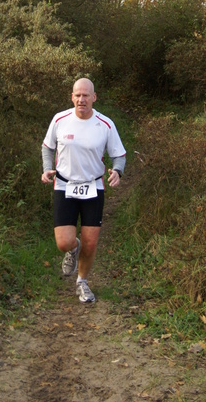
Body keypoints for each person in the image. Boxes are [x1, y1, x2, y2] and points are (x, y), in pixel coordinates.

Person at [41, 78, 126, 304]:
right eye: (77, 95)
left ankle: (82, 282)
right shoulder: (60, 120)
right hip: (64, 185)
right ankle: (73, 248)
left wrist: (117, 170)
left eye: (86, 95)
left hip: (93, 187)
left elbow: (119, 154)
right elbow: (47, 147)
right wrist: (46, 169)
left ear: (94, 97)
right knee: (64, 242)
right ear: (72, 97)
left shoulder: (105, 124)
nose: (81, 99)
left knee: (91, 241)